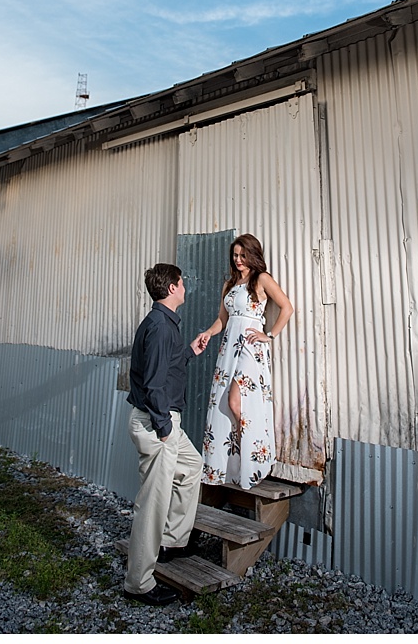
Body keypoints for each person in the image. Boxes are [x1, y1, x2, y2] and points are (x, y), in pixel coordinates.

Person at [124, 262, 208, 606]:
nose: (185, 286)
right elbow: (154, 384)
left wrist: (189, 351)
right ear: (172, 287)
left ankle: (172, 541)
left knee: (191, 467)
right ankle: (139, 583)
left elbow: (167, 366)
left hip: (162, 419)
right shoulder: (159, 327)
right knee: (153, 504)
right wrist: (163, 428)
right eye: (183, 282)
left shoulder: (164, 324)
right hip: (157, 422)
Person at [196, 234, 293, 490]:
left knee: (235, 401)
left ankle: (255, 458)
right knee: (224, 406)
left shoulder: (261, 279)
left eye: (243, 255)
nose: (239, 260)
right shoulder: (228, 285)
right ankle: (233, 463)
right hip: (229, 347)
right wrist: (207, 332)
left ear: (253, 255)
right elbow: (223, 320)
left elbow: (287, 307)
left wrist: (268, 334)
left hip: (250, 349)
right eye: (235, 256)